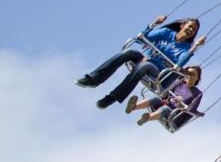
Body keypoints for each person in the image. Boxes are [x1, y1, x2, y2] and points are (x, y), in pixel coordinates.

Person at [77, 16, 205, 109]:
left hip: (158, 73)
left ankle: (112, 98)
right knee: (128, 53)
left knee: (145, 65)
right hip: (145, 59)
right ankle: (94, 79)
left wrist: (194, 48)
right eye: (190, 26)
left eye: (194, 30)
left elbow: (180, 63)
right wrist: (154, 24)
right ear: (182, 25)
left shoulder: (186, 48)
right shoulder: (167, 33)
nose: (191, 30)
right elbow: (142, 39)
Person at [129, 65, 204, 128]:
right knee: (155, 99)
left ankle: (147, 118)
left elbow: (192, 109)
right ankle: (133, 107)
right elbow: (166, 92)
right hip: (165, 103)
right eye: (188, 73)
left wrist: (181, 103)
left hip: (174, 114)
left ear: (197, 78)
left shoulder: (197, 93)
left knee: (165, 109)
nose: (189, 76)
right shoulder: (179, 83)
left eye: (193, 74)